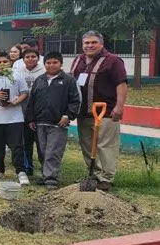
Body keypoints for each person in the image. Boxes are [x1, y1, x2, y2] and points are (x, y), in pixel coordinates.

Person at [70, 30, 128, 192]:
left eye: (94, 42)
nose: (90, 45)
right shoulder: (78, 60)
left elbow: (121, 84)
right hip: (84, 112)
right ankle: (95, 174)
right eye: (86, 43)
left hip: (106, 112)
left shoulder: (113, 61)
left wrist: (119, 107)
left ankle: (106, 178)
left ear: (101, 44)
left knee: (105, 145)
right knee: (87, 145)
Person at [25, 52, 81, 189]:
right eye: (48, 63)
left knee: (53, 151)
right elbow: (32, 100)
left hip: (58, 123)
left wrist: (67, 115)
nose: (51, 65)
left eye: (55, 62)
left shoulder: (68, 80)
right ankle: (45, 175)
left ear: (61, 64)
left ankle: (51, 178)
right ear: (44, 64)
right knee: (42, 150)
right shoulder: (40, 80)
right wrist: (31, 118)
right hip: (40, 122)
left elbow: (75, 100)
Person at [0, 51, 30, 185]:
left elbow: (24, 93)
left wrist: (15, 102)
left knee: (17, 146)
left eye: (5, 62)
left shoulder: (17, 76)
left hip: (15, 118)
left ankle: (20, 171)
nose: (2, 64)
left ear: (10, 63)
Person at [18, 48, 46, 176]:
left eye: (33, 56)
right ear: (23, 59)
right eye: (27, 57)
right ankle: (27, 167)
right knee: (25, 142)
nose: (30, 59)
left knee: (42, 143)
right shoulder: (18, 72)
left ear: (38, 58)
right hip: (23, 112)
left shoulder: (44, 71)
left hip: (40, 113)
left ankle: (46, 169)